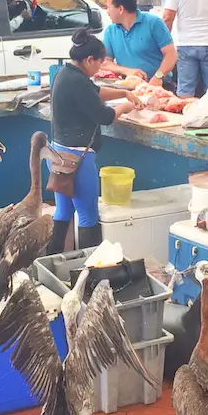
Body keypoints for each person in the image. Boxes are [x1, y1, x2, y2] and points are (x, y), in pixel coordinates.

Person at [47, 28, 144, 254]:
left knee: (62, 211)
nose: (100, 68)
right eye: (99, 63)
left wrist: (124, 92)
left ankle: (52, 264)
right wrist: (126, 107)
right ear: (89, 60)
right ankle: (89, 272)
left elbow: (95, 92)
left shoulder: (66, 74)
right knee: (88, 215)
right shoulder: (78, 82)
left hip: (57, 154)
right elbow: (105, 117)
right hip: (77, 160)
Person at [102, 0, 177, 89]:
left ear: (120, 9)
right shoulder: (110, 31)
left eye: (108, 7)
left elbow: (171, 54)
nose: (107, 11)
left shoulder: (153, 23)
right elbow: (105, 63)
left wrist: (158, 77)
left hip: (159, 86)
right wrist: (126, 71)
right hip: (127, 88)